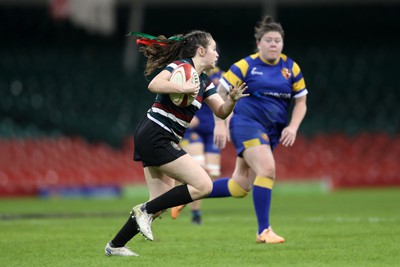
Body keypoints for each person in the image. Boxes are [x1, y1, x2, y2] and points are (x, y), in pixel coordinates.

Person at [105, 30, 248, 256]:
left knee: (159, 205)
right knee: (204, 185)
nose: (217, 54)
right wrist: (182, 88)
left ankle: (115, 246)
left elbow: (221, 111)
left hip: (161, 136)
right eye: (214, 49)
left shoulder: (203, 80)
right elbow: (154, 84)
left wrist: (231, 99)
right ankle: (143, 210)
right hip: (155, 132)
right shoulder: (181, 67)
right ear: (201, 51)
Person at [208, 15, 308, 244]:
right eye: (269, 40)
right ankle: (264, 231)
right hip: (246, 124)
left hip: (271, 132)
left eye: (278, 40)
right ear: (259, 43)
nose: (274, 44)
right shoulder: (245, 66)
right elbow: (218, 94)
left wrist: (293, 127)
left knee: (240, 185)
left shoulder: (291, 68)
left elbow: (301, 102)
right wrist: (220, 124)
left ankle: (191, 191)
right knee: (268, 170)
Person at [170, 67, 225, 224]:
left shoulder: (223, 76)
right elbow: (175, 96)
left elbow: (226, 101)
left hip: (212, 130)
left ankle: (181, 200)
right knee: (198, 169)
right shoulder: (189, 73)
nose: (215, 55)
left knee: (212, 174)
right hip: (192, 128)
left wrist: (226, 123)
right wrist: (184, 112)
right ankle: (196, 214)